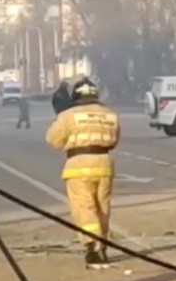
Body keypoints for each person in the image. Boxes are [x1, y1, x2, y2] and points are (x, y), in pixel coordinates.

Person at [45, 77, 121, 268]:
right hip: (104, 164)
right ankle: (102, 245)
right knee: (102, 207)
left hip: (78, 165)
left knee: (84, 207)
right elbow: (114, 140)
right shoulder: (109, 114)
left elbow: (53, 139)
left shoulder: (69, 115)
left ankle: (92, 246)